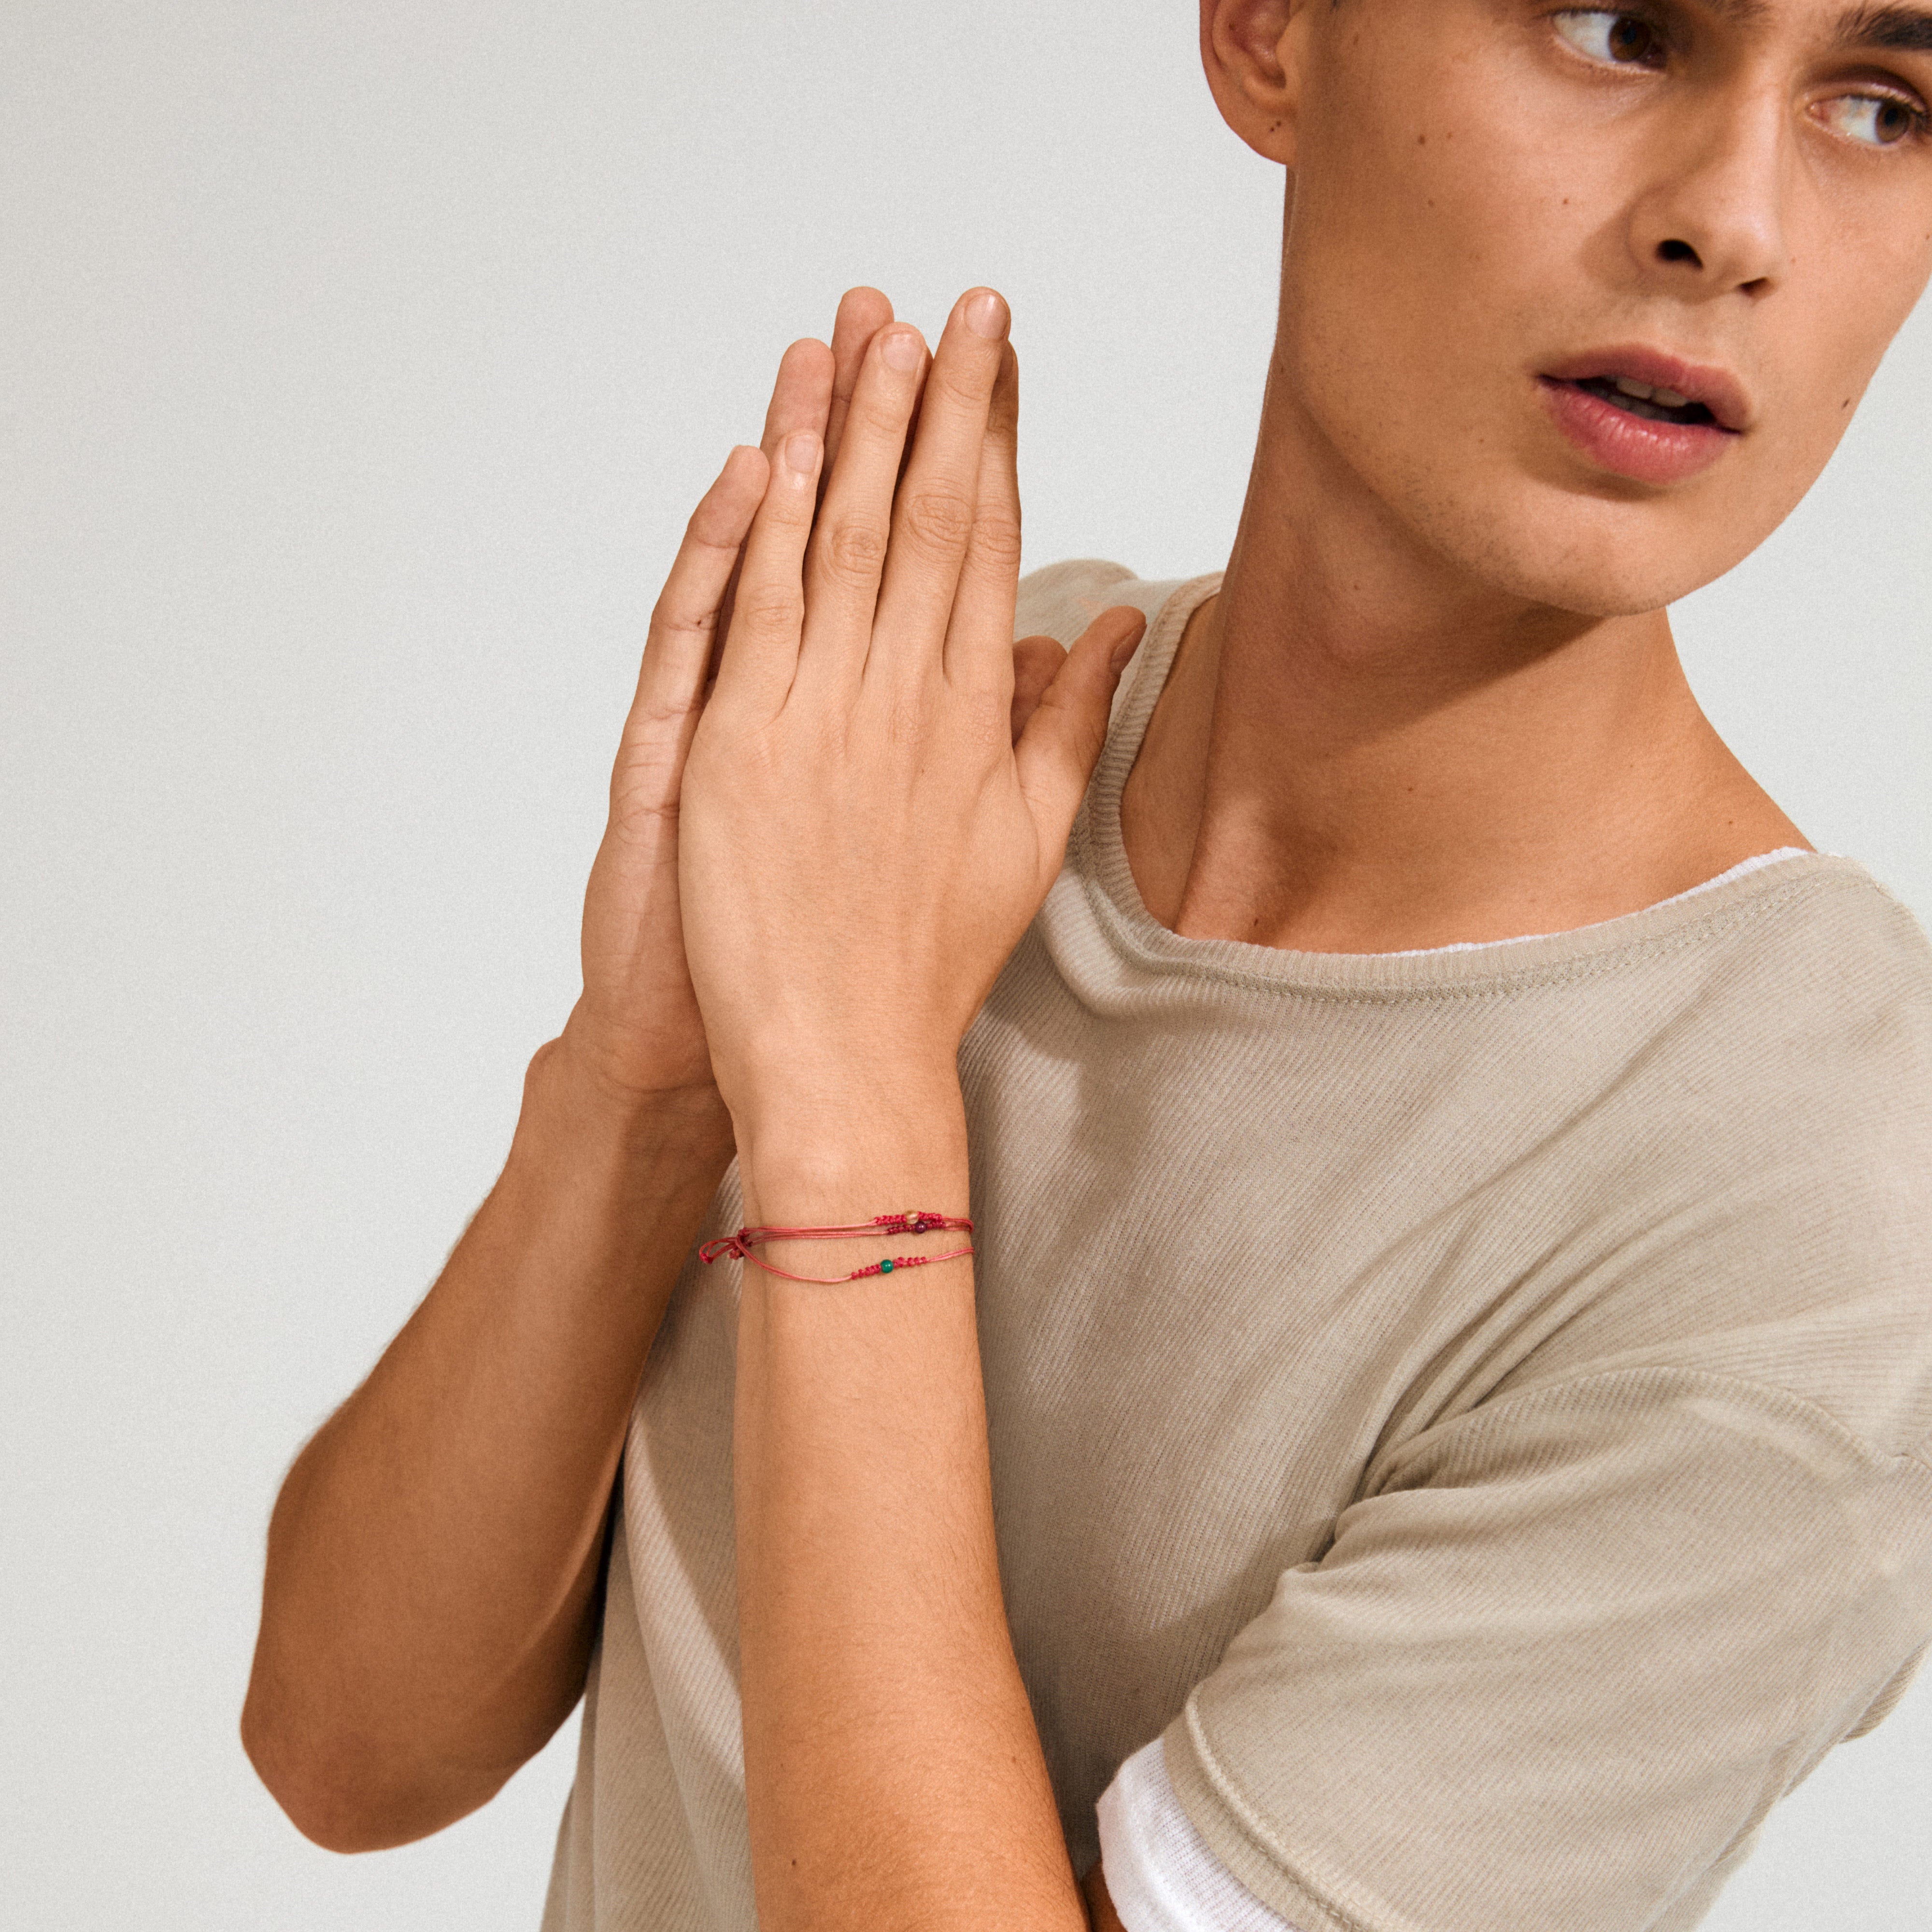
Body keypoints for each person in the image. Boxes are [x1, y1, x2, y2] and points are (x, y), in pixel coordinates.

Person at [240, 3, 1932, 1929]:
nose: (1735, 219)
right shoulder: (946, 765)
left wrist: (853, 1107)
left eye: (1881, 104)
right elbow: (344, 1744)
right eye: (1621, 27)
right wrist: (649, 1082)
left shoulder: (1819, 1223)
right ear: (1272, 35)